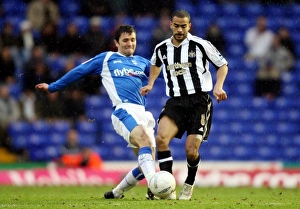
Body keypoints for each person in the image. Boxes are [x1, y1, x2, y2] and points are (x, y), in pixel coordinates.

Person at [35, 25, 157, 199]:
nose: (130, 43)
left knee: (147, 163)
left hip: (143, 113)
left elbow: (165, 73)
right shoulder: (107, 58)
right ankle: (154, 187)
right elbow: (79, 71)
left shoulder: (142, 62)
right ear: (116, 42)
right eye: (125, 40)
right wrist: (53, 87)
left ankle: (117, 193)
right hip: (124, 111)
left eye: (133, 40)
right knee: (144, 142)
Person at [140, 10, 228, 200]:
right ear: (171, 25)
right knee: (161, 138)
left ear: (190, 26)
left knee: (191, 150)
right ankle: (167, 186)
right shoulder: (161, 48)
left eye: (184, 26)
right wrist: (151, 83)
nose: (180, 30)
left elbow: (222, 64)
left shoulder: (201, 45)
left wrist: (218, 86)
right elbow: (155, 63)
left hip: (199, 101)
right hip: (176, 101)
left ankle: (189, 183)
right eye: (176, 25)